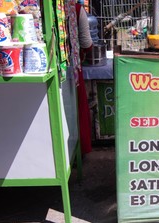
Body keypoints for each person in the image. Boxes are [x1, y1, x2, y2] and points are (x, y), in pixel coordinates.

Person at [75, 1, 94, 155]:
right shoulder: (76, 9)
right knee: (76, 108)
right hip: (71, 67)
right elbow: (86, 43)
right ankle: (79, 150)